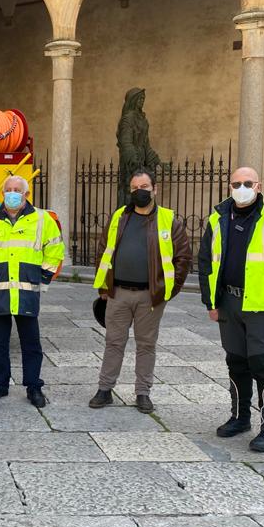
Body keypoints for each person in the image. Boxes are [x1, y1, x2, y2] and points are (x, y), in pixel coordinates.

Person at [197, 166, 264, 452]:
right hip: (229, 303)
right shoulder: (217, 219)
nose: (240, 188)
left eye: (247, 183)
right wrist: (211, 302)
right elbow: (205, 262)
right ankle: (240, 418)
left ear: (258, 186)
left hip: (260, 307)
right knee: (236, 361)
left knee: (262, 364)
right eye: (235, 183)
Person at [90, 169, 191, 413]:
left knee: (146, 344)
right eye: (135, 188)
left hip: (150, 296)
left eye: (144, 186)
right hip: (118, 293)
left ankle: (143, 393)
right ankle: (105, 389)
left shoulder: (168, 220)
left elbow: (183, 258)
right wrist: (104, 286)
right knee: (114, 342)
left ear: (154, 189)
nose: (140, 191)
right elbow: (104, 250)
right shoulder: (119, 217)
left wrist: (167, 290)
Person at [0, 176, 65, 408]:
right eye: (8, 190)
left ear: (26, 195)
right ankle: (0, 384)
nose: (12, 194)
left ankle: (34, 387)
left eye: (17, 190)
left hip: (26, 292)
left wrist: (44, 276)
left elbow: (55, 248)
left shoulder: (42, 219)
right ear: (2, 194)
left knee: (31, 344)